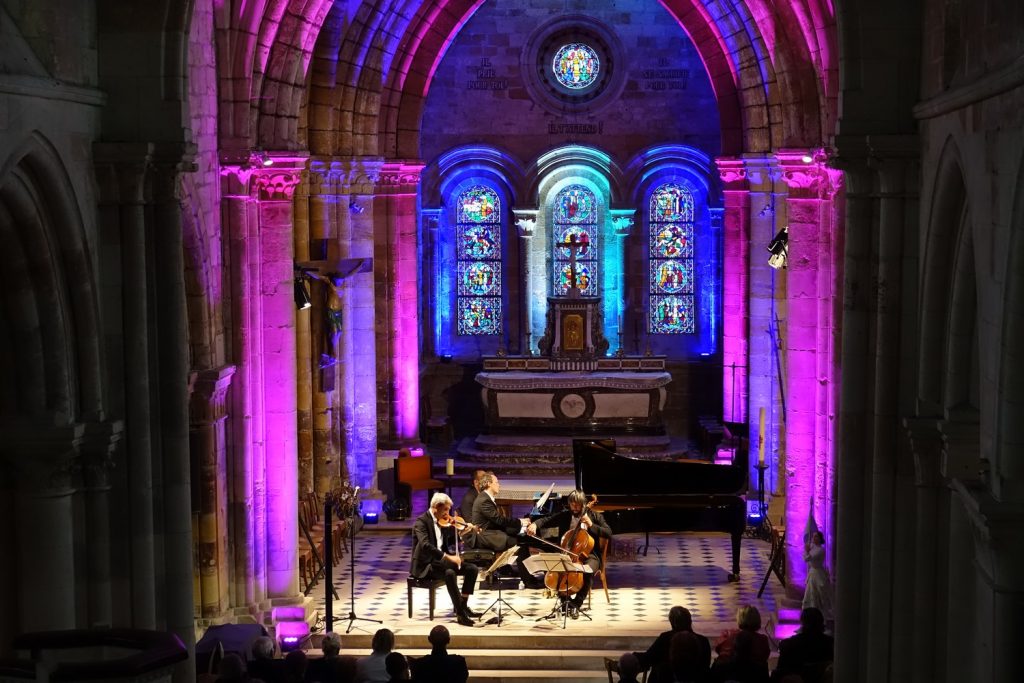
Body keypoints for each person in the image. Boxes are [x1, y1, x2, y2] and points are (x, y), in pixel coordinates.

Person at [523, 489, 612, 617]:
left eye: (577, 504)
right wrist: (535, 525)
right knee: (555, 567)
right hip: (566, 552)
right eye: (572, 504)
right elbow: (547, 520)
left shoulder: (594, 516)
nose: (574, 507)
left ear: (583, 503)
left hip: (590, 555)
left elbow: (608, 532)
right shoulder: (565, 514)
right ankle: (565, 601)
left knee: (587, 570)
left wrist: (591, 525)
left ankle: (576, 604)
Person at [411, 492, 480, 627]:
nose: (448, 514)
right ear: (436, 507)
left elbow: (448, 541)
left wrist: (462, 533)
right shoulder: (421, 522)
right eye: (446, 509)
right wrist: (448, 557)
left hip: (440, 562)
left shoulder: (442, 521)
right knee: (450, 573)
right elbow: (425, 545)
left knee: (472, 569)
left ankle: (462, 606)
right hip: (426, 564)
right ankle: (460, 614)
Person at [634, 606, 711, 683]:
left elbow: (649, 657)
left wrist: (634, 657)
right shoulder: (703, 641)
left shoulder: (665, 638)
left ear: (673, 622)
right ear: (690, 621)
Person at [469, 472, 530, 553]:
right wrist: (520, 522)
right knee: (516, 542)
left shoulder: (485, 497)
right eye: (497, 482)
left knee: (519, 537)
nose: (499, 485)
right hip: (484, 535)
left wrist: (518, 525)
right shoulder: (484, 500)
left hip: (490, 532)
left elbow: (497, 520)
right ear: (489, 483)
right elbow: (499, 520)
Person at [770, 607, 834, 683]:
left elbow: (780, 672)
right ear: (821, 622)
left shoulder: (789, 644)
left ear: (803, 622)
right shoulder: (831, 644)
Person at [802, 531, 834, 620]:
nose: (813, 538)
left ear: (820, 539)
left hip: (818, 573)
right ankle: (810, 616)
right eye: (813, 536)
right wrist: (807, 551)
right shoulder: (812, 547)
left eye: (816, 536)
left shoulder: (820, 550)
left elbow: (807, 558)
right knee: (810, 594)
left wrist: (807, 551)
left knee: (820, 595)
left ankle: (822, 617)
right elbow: (804, 557)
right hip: (812, 573)